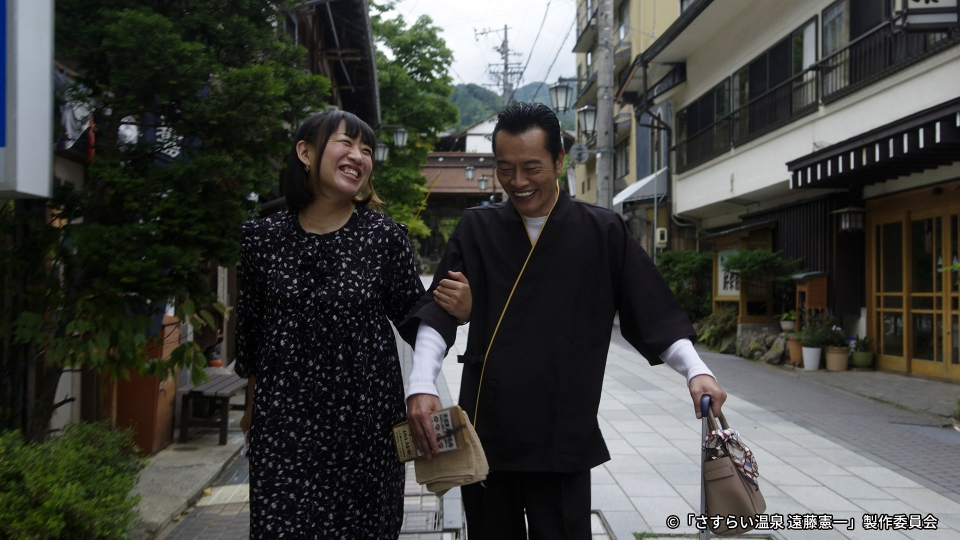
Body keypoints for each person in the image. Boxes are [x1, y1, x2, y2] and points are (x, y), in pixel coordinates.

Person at [399, 102, 728, 540]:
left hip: (563, 433)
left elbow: (651, 310)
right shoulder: (476, 229)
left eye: (531, 167)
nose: (518, 182)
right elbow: (438, 312)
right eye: (505, 169)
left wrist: (696, 370)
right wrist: (421, 385)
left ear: (558, 161)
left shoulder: (602, 232)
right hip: (487, 434)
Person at [233, 110, 464, 538]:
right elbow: (251, 339)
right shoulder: (262, 240)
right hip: (284, 431)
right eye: (346, 143)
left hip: (368, 433)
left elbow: (418, 318)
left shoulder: (384, 237)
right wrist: (251, 415)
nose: (358, 156)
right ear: (305, 152)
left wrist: (458, 309)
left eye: (367, 149)